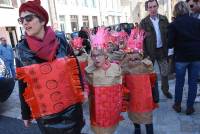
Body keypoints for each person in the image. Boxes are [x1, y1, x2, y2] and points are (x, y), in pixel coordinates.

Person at [15, 0, 84, 133]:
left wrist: (82, 91)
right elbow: (22, 85)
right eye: (21, 19)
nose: (24, 23)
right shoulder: (21, 49)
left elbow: (75, 67)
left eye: (28, 18)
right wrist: (25, 113)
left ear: (42, 20)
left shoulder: (61, 40)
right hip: (47, 115)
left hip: (72, 109)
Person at [85, 28, 126, 134]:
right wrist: (84, 93)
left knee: (112, 128)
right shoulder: (90, 71)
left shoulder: (115, 68)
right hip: (97, 111)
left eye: (99, 55)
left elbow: (120, 87)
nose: (96, 58)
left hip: (112, 108)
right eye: (93, 55)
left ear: (105, 55)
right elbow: (87, 87)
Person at [168, 1, 200, 115]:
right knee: (193, 83)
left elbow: (170, 44)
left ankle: (177, 105)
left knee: (179, 83)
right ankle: (190, 107)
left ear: (176, 11)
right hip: (196, 57)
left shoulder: (173, 25)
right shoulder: (197, 22)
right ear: (187, 9)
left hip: (181, 58)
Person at [139, 0, 172, 99]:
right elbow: (141, 40)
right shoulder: (143, 22)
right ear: (147, 9)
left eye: (154, 6)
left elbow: (168, 35)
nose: (152, 9)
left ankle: (165, 90)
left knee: (165, 72)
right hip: (150, 52)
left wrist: (170, 49)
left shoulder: (164, 19)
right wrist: (145, 54)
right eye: (150, 7)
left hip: (162, 50)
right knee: (150, 74)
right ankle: (154, 94)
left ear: (157, 6)